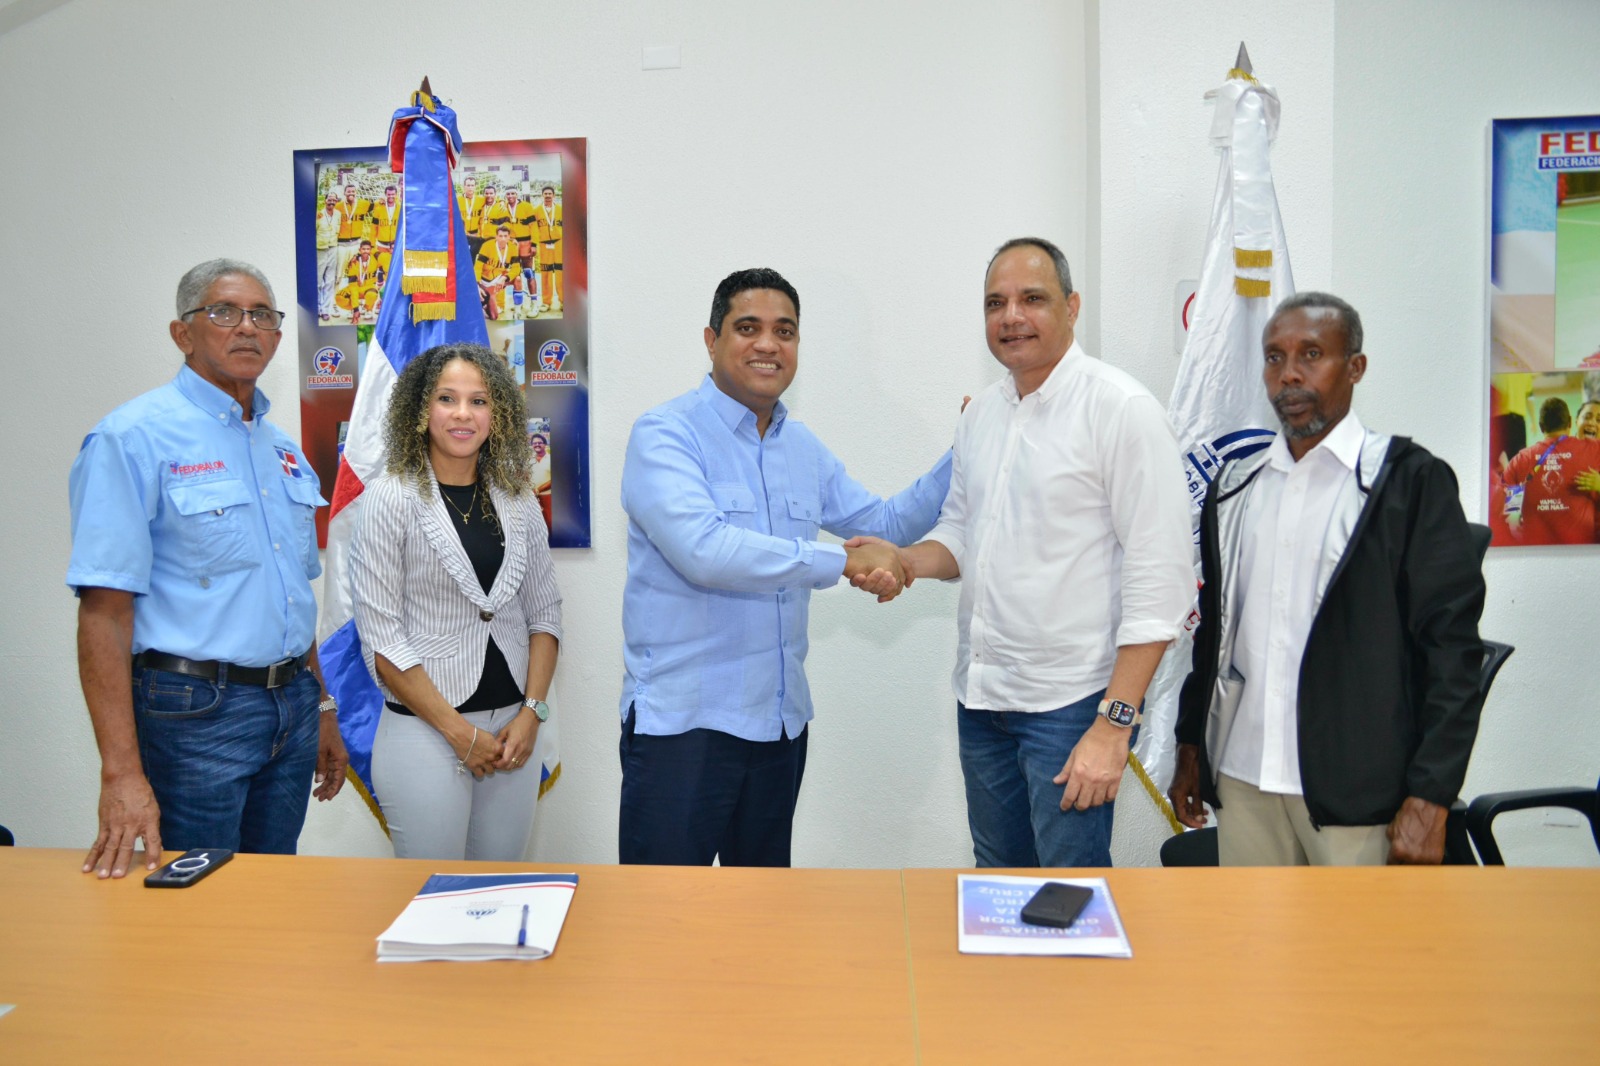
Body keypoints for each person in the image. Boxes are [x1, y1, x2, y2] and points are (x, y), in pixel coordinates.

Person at [856, 238, 1193, 868]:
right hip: (983, 703)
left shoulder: (1122, 409)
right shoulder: (981, 415)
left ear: (1072, 306)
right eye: (995, 303)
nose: (1011, 316)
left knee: (1068, 897)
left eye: (1032, 299)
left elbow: (1162, 582)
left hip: (1074, 709)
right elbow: (961, 532)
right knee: (999, 884)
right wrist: (903, 561)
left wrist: (1114, 725)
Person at [618, 267, 951, 867]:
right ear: (712, 340)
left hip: (778, 727)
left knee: (764, 913)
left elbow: (886, 524)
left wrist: (966, 449)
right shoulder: (665, 434)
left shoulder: (803, 449)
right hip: (683, 729)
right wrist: (840, 562)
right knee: (665, 915)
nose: (768, 344)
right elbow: (704, 551)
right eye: (748, 328)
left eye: (785, 331)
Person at [1169, 292, 1487, 865]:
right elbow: (1213, 633)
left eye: (1311, 354)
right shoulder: (1235, 487)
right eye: (1275, 357)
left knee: (1357, 931)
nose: (1289, 374)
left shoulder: (1408, 482)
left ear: (1355, 367)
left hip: (1357, 793)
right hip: (1242, 780)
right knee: (1248, 929)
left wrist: (1432, 792)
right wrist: (1191, 744)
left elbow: (1452, 652)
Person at [67, 258, 347, 879]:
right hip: (194, 713)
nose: (247, 327)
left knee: (269, 890)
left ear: (278, 336)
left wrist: (323, 706)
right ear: (182, 333)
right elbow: (104, 615)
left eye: (262, 315)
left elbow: (292, 595)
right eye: (224, 312)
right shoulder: (131, 439)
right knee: (191, 901)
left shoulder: (282, 449)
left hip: (292, 707)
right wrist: (120, 773)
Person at [350, 342, 562, 861]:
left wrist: (532, 713)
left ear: (498, 413)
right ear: (420, 409)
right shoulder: (389, 497)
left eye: (479, 401)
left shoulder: (518, 498)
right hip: (426, 732)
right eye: (447, 398)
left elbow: (545, 614)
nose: (463, 413)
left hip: (513, 733)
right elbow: (383, 640)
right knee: (434, 892)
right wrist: (459, 732)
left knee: (500, 889)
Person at [1501, 396, 1600, 545]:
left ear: (1541, 427)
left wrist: (1514, 516)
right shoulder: (1593, 450)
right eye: (1587, 417)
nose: (1592, 423)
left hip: (1537, 551)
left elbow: (1510, 511)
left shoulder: (1520, 460)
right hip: (1581, 551)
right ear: (1571, 422)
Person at [336, 239, 385, 322]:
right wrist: (355, 308)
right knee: (339, 297)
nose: (366, 251)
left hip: (369, 287)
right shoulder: (354, 262)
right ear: (360, 250)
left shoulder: (375, 259)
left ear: (371, 250)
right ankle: (353, 309)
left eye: (368, 249)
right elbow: (353, 287)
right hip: (356, 287)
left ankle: (368, 309)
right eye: (363, 249)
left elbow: (384, 258)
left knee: (372, 294)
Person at [476, 225, 518, 321]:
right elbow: (478, 267)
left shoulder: (512, 247)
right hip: (485, 280)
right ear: (496, 236)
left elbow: (516, 268)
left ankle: (518, 311)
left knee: (518, 280)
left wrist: (505, 278)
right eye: (500, 236)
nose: (503, 239)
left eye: (505, 236)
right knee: (494, 316)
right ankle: (485, 305)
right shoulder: (487, 246)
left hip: (499, 279)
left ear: (509, 237)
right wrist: (477, 284)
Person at [532, 185, 562, 313]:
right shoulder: (536, 210)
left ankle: (563, 301)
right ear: (542, 195)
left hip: (560, 244)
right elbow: (533, 229)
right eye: (546, 194)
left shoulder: (561, 209)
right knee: (546, 274)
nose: (548, 196)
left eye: (550, 193)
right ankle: (546, 302)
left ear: (554, 195)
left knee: (562, 273)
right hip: (544, 245)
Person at [315, 193, 342, 319]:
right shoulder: (318, 214)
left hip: (333, 248)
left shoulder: (338, 214)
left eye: (334, 200)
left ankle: (325, 310)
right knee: (318, 281)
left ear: (336, 201)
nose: (331, 202)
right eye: (329, 199)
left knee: (330, 281)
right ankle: (317, 308)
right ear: (325, 200)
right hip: (320, 249)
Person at [458, 174, 486, 262]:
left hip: (475, 235)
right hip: (463, 235)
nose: (470, 188)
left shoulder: (481, 200)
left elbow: (493, 201)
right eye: (468, 185)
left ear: (475, 186)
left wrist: (501, 202)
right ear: (464, 186)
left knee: (473, 258)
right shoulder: (457, 200)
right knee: (462, 257)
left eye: (472, 185)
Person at [370, 184, 401, 259]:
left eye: (393, 194)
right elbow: (373, 228)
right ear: (385, 195)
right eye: (389, 194)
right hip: (381, 245)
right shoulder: (378, 208)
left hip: (395, 246)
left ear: (396, 195)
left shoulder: (400, 208)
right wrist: (372, 245)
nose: (391, 196)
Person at [529, 430, 553, 529]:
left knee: (549, 524)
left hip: (548, 497)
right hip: (532, 498)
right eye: (534, 443)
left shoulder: (551, 459)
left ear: (545, 444)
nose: (537, 445)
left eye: (540, 442)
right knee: (536, 526)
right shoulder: (529, 460)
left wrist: (538, 490)